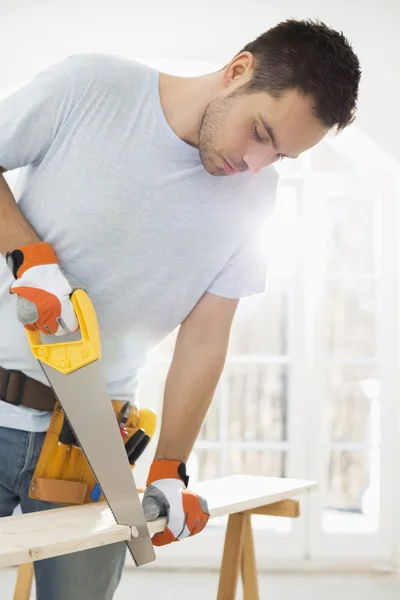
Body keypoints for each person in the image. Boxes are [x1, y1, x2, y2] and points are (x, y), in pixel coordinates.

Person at [0, 18, 360, 600]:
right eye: (260, 132)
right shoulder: (91, 87)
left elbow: (205, 338)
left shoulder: (254, 199)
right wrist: (28, 256)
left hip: (90, 440)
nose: (255, 163)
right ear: (239, 71)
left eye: (280, 156)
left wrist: (170, 466)